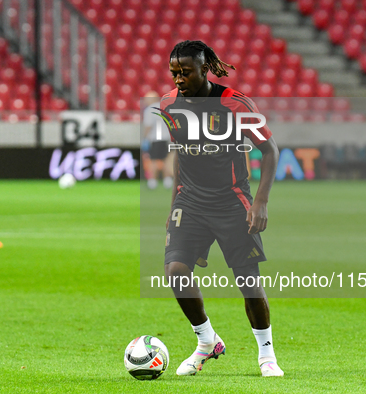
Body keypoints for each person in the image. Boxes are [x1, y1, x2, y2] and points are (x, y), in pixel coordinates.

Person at [160, 40, 283, 377]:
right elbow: (180, 157)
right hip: (190, 202)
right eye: (174, 73)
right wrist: (172, 209)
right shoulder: (168, 105)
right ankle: (205, 340)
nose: (179, 79)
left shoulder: (235, 104)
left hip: (232, 202)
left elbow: (270, 150)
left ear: (205, 69)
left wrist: (261, 201)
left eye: (185, 72)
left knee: (248, 281)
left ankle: (266, 355)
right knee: (175, 272)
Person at [142, 91, 174, 189]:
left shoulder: (150, 110)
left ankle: (153, 181)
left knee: (154, 160)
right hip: (167, 138)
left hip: (156, 138)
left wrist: (145, 138)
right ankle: (167, 180)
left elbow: (148, 126)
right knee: (166, 160)